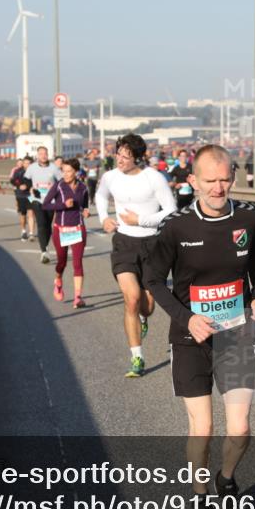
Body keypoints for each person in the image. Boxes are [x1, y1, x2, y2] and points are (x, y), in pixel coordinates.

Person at [143, 144, 255, 509]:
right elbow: (152, 280)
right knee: (202, 428)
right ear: (193, 181)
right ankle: (199, 495)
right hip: (190, 336)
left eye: (225, 179)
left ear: (233, 177)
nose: (218, 188)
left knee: (241, 427)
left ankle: (226, 481)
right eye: (210, 181)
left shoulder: (250, 219)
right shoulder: (177, 227)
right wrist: (187, 317)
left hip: (235, 333)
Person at [95, 133, 177, 378]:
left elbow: (171, 210)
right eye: (118, 154)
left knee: (148, 306)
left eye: (126, 156)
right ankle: (137, 357)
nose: (120, 160)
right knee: (131, 298)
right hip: (124, 242)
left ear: (138, 158)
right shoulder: (110, 177)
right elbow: (100, 196)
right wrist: (104, 219)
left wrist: (141, 219)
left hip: (152, 243)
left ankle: (143, 316)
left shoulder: (154, 178)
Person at [43, 158, 90, 308]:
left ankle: (78, 297)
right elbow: (45, 205)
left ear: (76, 172)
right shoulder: (58, 186)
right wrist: (63, 205)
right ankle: (58, 280)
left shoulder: (83, 187)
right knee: (62, 262)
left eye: (69, 171)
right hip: (61, 229)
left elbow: (85, 204)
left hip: (78, 228)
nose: (66, 174)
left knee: (77, 263)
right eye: (64, 171)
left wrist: (86, 210)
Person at [26, 146, 62, 263]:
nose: (43, 156)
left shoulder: (54, 168)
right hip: (37, 200)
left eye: (45, 153)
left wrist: (55, 189)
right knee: (41, 224)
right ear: (37, 155)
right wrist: (29, 188)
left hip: (51, 201)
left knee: (47, 225)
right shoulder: (31, 168)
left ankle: (45, 246)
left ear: (48, 155)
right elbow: (25, 180)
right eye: (41, 154)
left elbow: (61, 181)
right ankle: (44, 252)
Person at [11, 156, 34, 241]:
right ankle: (24, 231)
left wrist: (29, 186)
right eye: (25, 163)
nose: (27, 165)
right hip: (21, 195)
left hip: (31, 196)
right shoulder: (18, 171)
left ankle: (31, 233)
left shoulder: (34, 172)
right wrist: (19, 185)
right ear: (23, 163)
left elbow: (36, 182)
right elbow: (13, 180)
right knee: (23, 214)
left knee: (31, 214)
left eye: (29, 163)